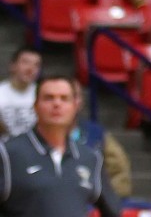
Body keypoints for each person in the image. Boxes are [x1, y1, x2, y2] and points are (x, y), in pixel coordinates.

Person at [0, 75, 121, 217]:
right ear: (35, 105)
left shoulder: (90, 158)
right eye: (48, 98)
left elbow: (113, 211)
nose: (57, 104)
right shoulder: (7, 154)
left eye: (64, 98)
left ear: (75, 106)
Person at [71, 84, 132, 201]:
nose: (58, 104)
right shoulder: (32, 139)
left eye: (75, 96)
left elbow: (119, 171)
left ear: (80, 102)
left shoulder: (97, 134)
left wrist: (106, 201)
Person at [0, 48, 41, 139]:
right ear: (12, 66)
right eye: (25, 62)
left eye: (36, 65)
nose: (31, 68)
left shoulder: (44, 94)